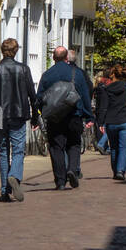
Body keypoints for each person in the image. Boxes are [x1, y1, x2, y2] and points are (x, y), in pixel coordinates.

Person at [0, 37, 37, 201]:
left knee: (3, 151)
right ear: (16, 51)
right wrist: (35, 116)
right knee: (18, 149)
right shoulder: (23, 69)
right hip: (18, 113)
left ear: (2, 51)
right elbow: (32, 95)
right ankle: (14, 175)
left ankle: (4, 192)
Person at [36, 46, 93, 189]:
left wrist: (37, 114)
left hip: (55, 118)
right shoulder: (77, 73)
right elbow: (85, 96)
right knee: (74, 144)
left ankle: (60, 181)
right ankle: (72, 170)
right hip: (74, 115)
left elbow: (40, 97)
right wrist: (89, 115)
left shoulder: (47, 74)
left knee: (56, 148)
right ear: (67, 57)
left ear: (54, 58)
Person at [95, 65, 126, 180]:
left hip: (111, 122)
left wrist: (101, 123)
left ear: (113, 75)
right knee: (123, 147)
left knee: (114, 147)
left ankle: (115, 172)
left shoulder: (107, 89)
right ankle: (121, 171)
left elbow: (103, 107)